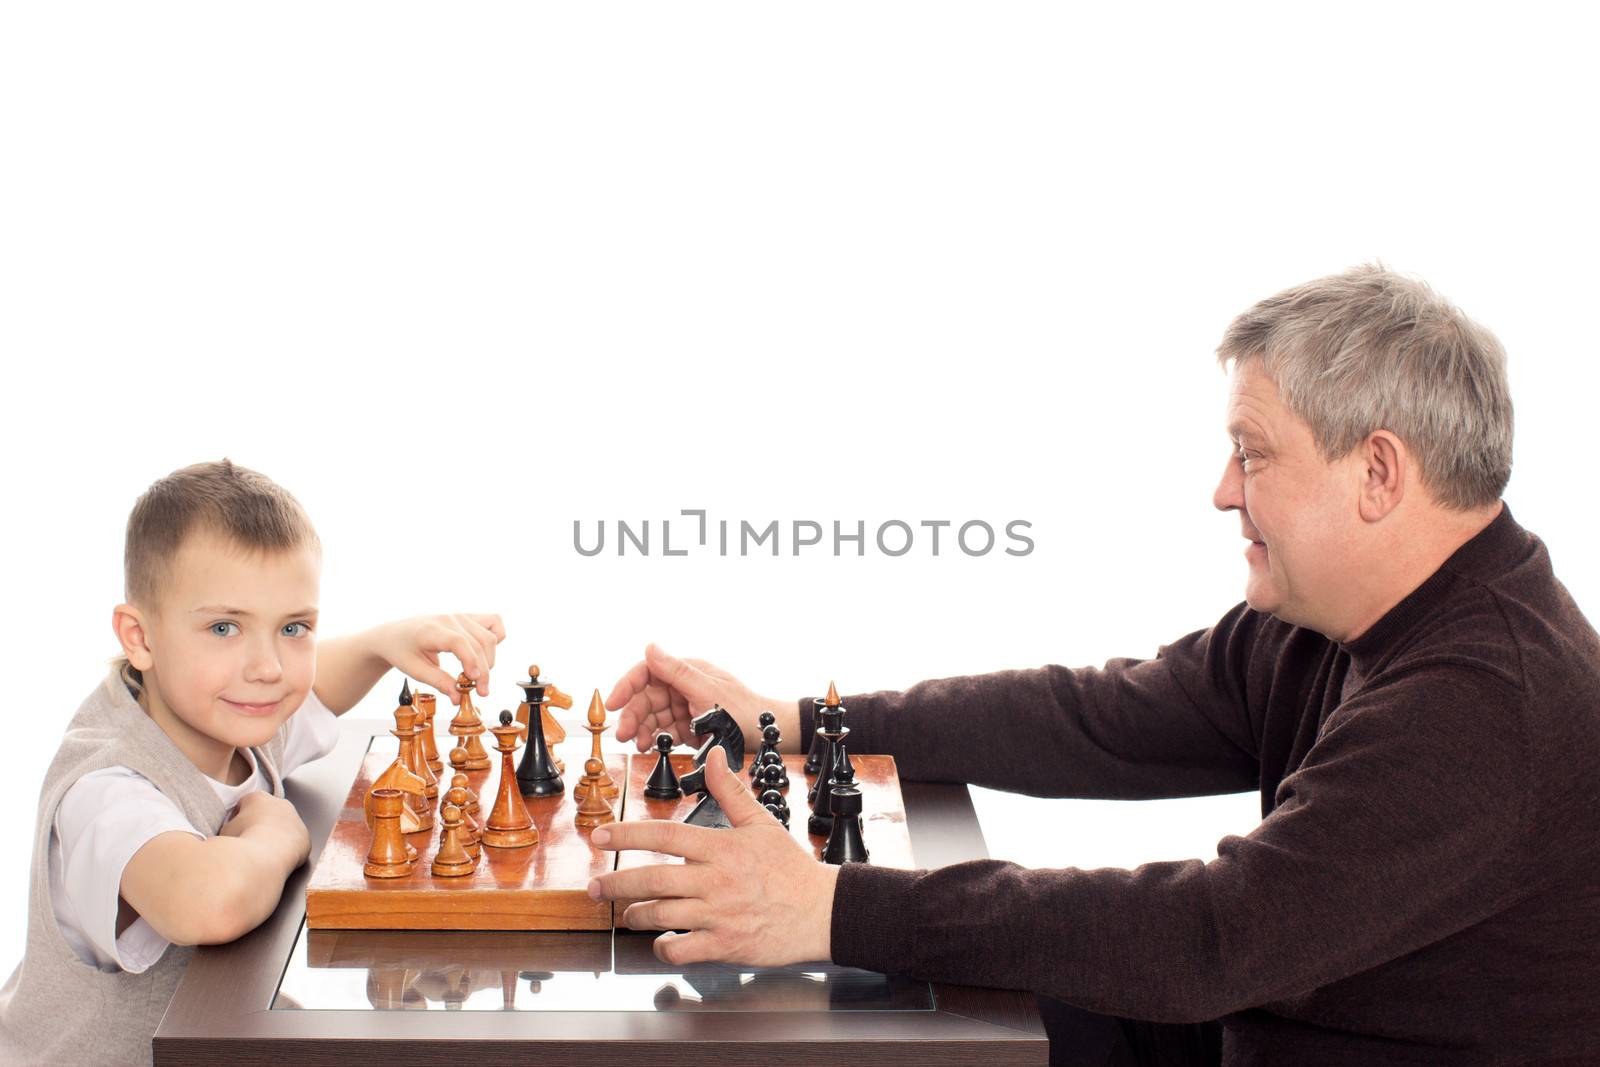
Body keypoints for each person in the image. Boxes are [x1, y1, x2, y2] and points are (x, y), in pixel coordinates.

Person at [589, 265, 1600, 1065]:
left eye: (1251, 454)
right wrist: (796, 720)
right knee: (904, 1008)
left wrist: (827, 905)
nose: (1219, 490)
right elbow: (1099, 716)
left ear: (1377, 472)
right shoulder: (1334, 618)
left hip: (1265, 1027)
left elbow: (1208, 935)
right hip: (1252, 1030)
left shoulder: (1483, 703)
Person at [0, 459, 506, 1066]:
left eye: (294, 626)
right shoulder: (107, 787)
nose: (267, 667)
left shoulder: (226, 714)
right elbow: (209, 902)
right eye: (224, 627)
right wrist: (276, 832)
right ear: (139, 637)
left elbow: (314, 690)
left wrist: (381, 644)